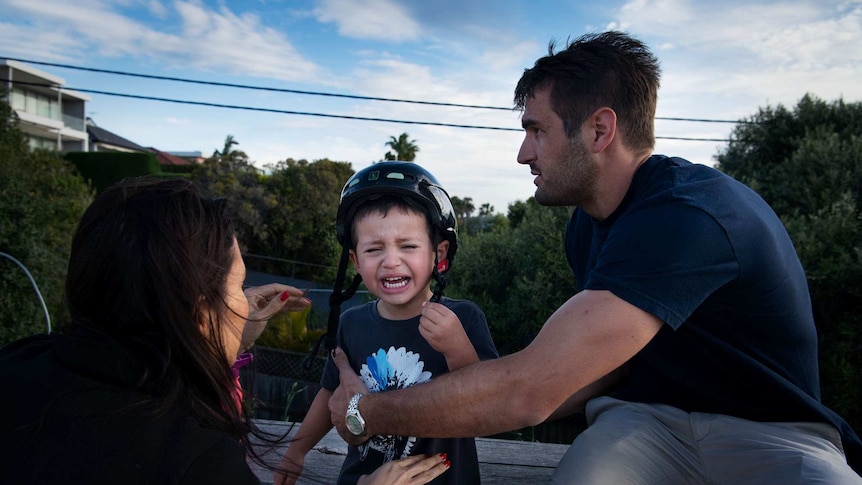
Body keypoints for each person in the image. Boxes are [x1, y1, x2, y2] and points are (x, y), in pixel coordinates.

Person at [327, 31, 862, 483]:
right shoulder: (585, 225)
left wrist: (364, 410)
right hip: (643, 424)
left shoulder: (692, 215)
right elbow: (583, 376)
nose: (524, 153)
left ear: (600, 130)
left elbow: (531, 391)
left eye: (537, 130)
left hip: (770, 431)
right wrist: (515, 388)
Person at [0, 177, 449, 485]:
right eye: (237, 285)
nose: (246, 298)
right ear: (198, 312)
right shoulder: (195, 460)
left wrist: (228, 337)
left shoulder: (20, 362)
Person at [275, 162, 499, 485]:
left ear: (440, 253)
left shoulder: (464, 319)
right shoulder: (351, 324)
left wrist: (458, 348)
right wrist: (296, 452)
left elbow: (488, 402)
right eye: (373, 249)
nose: (390, 260)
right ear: (355, 260)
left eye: (408, 246)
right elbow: (330, 396)